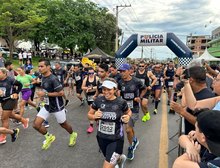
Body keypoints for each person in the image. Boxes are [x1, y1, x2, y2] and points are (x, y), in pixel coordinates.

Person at [33, 59, 77, 150]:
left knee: (63, 124)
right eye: (39, 66)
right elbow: (46, 90)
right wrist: (42, 96)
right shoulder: (43, 76)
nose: (40, 68)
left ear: (48, 67)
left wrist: (45, 94)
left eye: (42, 66)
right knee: (36, 125)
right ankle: (49, 137)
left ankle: (73, 134)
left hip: (57, 106)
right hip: (47, 105)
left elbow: (61, 93)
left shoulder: (53, 79)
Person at [88, 78, 131, 168]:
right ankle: (120, 160)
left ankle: (117, 159)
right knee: (108, 157)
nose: (106, 92)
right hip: (101, 137)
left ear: (115, 90)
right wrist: (94, 116)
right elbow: (89, 114)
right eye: (104, 89)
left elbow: (128, 112)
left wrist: (128, 117)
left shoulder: (121, 102)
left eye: (109, 89)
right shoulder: (98, 100)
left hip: (116, 139)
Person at [117, 63, 147, 160]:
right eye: (120, 71)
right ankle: (134, 139)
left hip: (134, 109)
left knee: (128, 129)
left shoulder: (137, 81)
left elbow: (144, 89)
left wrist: (140, 97)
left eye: (124, 71)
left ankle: (131, 147)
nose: (122, 73)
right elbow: (118, 93)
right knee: (130, 127)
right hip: (123, 108)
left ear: (129, 71)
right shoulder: (119, 81)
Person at [0, 68, 29, 144]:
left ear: (4, 73)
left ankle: (3, 136)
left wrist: (16, 92)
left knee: (4, 118)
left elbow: (20, 85)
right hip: (3, 100)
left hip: (11, 99)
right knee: (11, 115)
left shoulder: (10, 79)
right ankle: (24, 120)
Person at [81, 67, 99, 133]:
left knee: (97, 109)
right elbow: (82, 87)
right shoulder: (86, 79)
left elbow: (99, 86)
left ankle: (97, 121)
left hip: (96, 96)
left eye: (92, 73)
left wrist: (92, 88)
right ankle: (91, 125)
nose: (91, 74)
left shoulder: (96, 78)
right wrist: (87, 88)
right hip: (89, 96)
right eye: (90, 73)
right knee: (91, 111)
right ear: (88, 73)